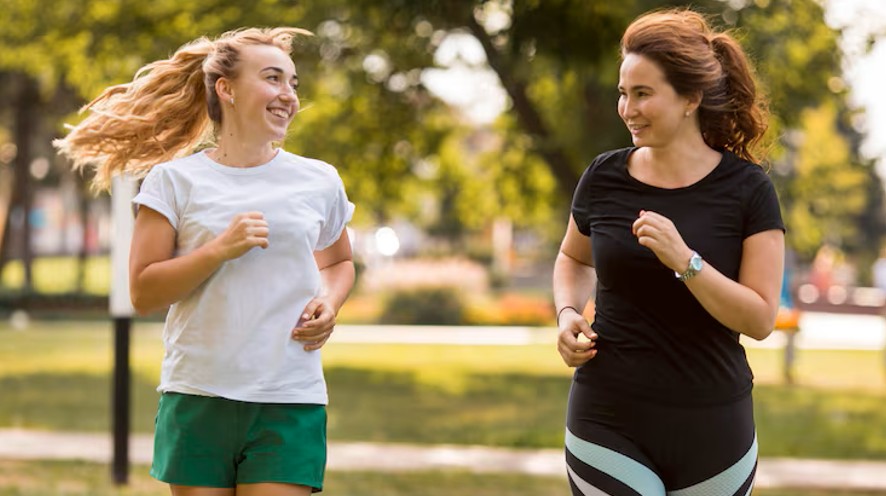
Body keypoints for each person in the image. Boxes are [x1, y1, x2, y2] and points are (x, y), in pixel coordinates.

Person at [55, 27, 355, 495]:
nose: (289, 95)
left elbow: (338, 262)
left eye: (293, 83)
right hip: (198, 395)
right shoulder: (173, 181)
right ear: (226, 88)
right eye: (274, 78)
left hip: (288, 397)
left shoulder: (318, 180)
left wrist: (329, 303)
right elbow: (144, 292)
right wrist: (218, 250)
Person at [552, 9, 784, 496]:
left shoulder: (748, 190)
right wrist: (568, 311)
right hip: (608, 416)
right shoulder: (604, 176)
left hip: (714, 428)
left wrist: (687, 262)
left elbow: (761, 319)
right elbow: (574, 258)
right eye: (623, 93)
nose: (627, 109)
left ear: (690, 99)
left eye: (643, 93)